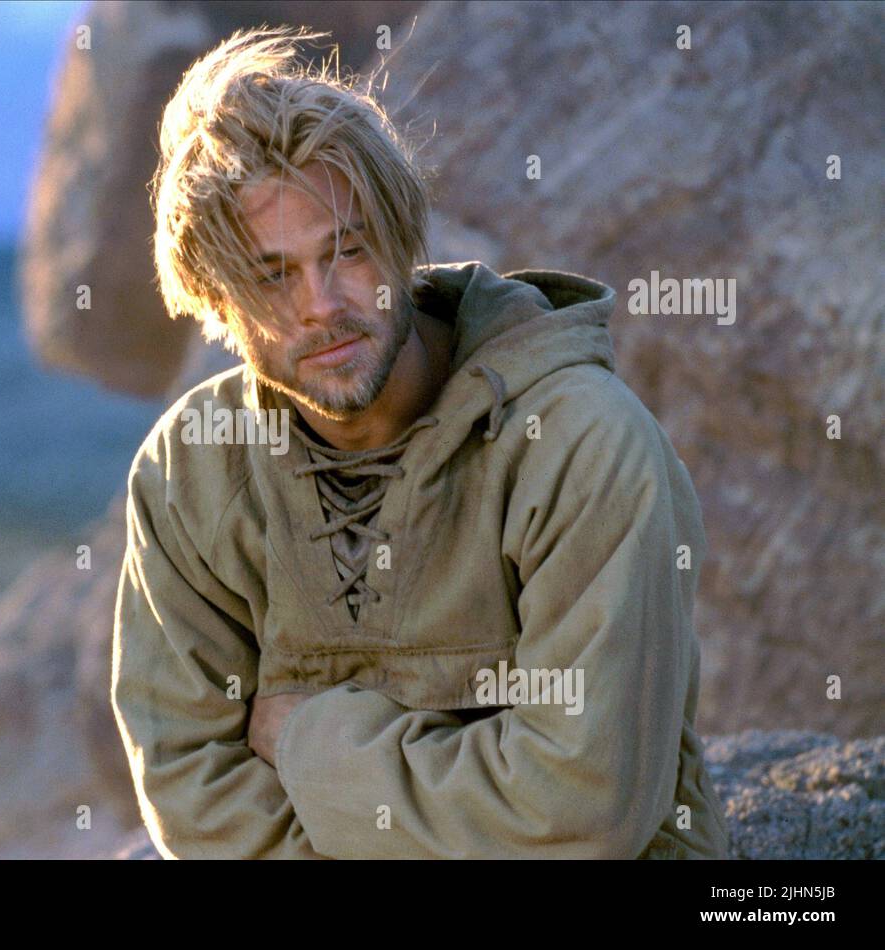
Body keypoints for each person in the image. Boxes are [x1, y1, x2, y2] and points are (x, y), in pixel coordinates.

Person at [109, 25, 731, 859]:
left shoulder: (580, 442)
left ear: (402, 241)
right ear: (214, 302)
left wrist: (305, 741)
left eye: (348, 249)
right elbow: (195, 795)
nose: (321, 304)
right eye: (271, 275)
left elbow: (583, 807)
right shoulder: (192, 474)